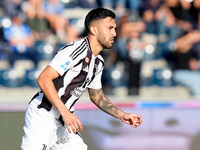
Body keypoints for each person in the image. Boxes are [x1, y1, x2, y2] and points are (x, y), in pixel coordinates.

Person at [20, 8, 143, 150]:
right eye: (109, 28)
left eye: (115, 29)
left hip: (64, 121)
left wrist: (122, 115)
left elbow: (96, 96)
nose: (114, 33)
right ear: (94, 30)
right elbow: (43, 79)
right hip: (44, 113)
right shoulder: (75, 50)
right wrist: (65, 113)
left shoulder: (98, 62)